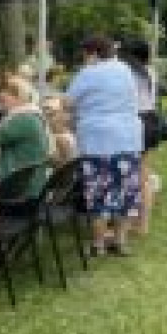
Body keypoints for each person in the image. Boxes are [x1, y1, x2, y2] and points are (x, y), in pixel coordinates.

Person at [65, 35, 143, 256]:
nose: (84, 58)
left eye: (85, 54)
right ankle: (120, 241)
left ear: (93, 53)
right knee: (126, 193)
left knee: (99, 193)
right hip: (128, 138)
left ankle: (98, 244)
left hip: (98, 140)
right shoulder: (125, 69)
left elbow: (68, 102)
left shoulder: (88, 73)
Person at [0, 78, 49, 200]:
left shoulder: (23, 119)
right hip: (32, 183)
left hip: (21, 190)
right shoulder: (32, 115)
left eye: (3, 99)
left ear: (18, 97)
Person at [120, 39, 158, 235]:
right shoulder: (149, 71)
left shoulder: (128, 72)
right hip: (149, 119)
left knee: (135, 175)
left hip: (135, 120)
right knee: (144, 174)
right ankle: (142, 224)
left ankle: (134, 224)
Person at [42, 95, 77, 165]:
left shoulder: (61, 140)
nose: (45, 118)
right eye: (43, 113)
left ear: (66, 115)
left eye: (51, 114)